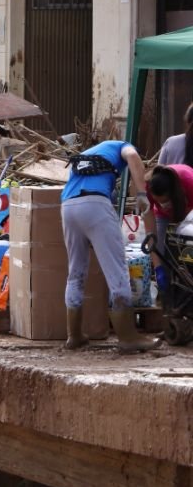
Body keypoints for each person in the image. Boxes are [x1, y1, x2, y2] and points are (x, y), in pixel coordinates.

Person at [61, 139, 156, 352]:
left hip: (68, 207)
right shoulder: (123, 146)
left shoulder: (87, 154)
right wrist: (142, 194)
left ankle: (74, 336)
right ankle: (128, 338)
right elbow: (133, 158)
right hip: (95, 204)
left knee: (76, 272)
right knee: (117, 270)